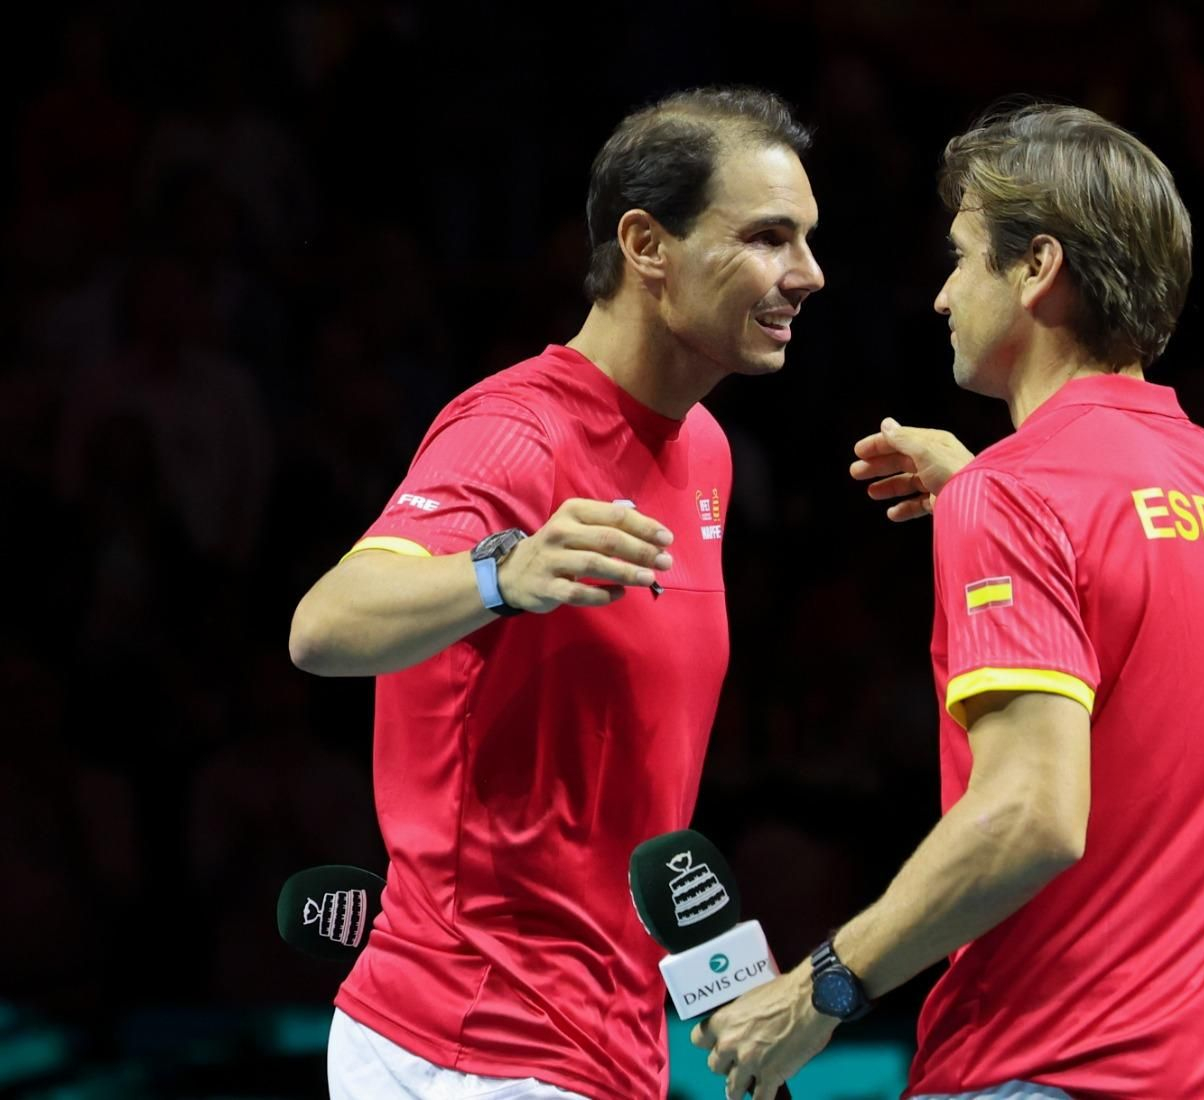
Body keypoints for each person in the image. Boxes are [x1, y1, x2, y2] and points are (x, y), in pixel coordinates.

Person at [692, 102, 1204, 1100]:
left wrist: (819, 986)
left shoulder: (1020, 495)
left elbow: (1032, 814)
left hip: (1055, 1064)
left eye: (964, 256)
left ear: (1036, 269)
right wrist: (986, 488)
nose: (940, 295)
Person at [287, 86, 823, 1100]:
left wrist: (729, 994)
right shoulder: (515, 433)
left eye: (804, 239)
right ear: (645, 244)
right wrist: (504, 571)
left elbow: (638, 804)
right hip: (470, 1042)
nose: (807, 273)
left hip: (604, 1043)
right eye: (766, 237)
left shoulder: (704, 449)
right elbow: (323, 626)